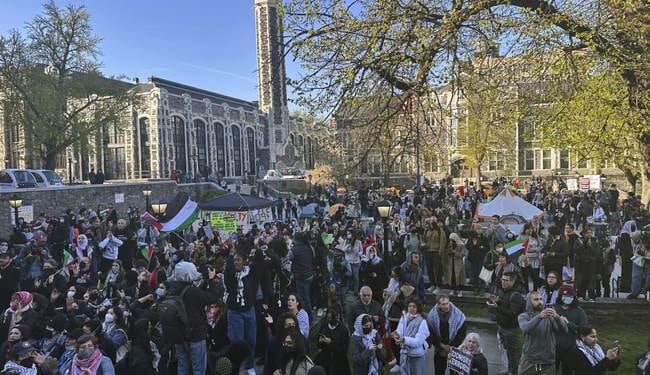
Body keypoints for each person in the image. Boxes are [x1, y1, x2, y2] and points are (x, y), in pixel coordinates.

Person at [166, 259, 222, 375]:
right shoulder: (192, 291)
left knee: (183, 364)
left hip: (178, 335)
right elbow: (212, 298)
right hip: (195, 334)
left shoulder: (172, 289)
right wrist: (211, 280)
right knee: (198, 368)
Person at [225, 249, 265, 375]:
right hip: (235, 313)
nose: (236, 262)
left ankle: (249, 365)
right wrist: (231, 258)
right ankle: (235, 369)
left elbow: (259, 263)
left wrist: (258, 250)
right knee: (237, 342)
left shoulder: (250, 273)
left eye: (238, 260)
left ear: (244, 262)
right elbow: (229, 277)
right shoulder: (230, 275)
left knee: (251, 340)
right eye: (234, 260)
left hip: (249, 311)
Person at [517, 290, 568, 374]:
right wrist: (539, 316)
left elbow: (564, 330)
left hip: (548, 362)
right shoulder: (523, 316)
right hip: (529, 361)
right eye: (536, 299)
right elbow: (525, 328)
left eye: (541, 299)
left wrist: (557, 317)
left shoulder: (549, 316)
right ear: (529, 301)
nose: (540, 301)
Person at [488, 272, 524, 375]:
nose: (503, 282)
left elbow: (512, 313)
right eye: (502, 279)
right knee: (505, 350)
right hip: (502, 327)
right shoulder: (502, 290)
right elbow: (504, 304)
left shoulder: (516, 295)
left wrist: (497, 307)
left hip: (512, 330)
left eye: (506, 280)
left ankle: (513, 372)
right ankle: (508, 369)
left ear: (512, 281)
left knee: (513, 354)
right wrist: (497, 301)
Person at [426, 294, 467, 375]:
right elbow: (430, 333)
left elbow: (461, 334)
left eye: (447, 303)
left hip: (455, 347)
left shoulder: (458, 315)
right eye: (443, 304)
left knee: (455, 372)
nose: (447, 306)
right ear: (438, 305)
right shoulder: (431, 315)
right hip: (439, 348)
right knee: (439, 371)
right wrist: (441, 345)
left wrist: (450, 347)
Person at [554, 285, 588, 373]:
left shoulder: (579, 311)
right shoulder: (553, 308)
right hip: (553, 348)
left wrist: (568, 323)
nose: (567, 298)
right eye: (565, 296)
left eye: (570, 296)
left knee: (567, 371)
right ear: (560, 296)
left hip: (571, 349)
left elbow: (582, 330)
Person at [392, 297, 429, 375]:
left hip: (416, 355)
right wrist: (397, 335)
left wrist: (404, 339)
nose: (411, 308)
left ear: (418, 308)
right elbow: (400, 331)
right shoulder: (404, 318)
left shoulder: (422, 322)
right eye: (410, 306)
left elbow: (418, 342)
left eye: (414, 306)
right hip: (404, 354)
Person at [314, 306, 350, 375]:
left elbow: (344, 349)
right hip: (325, 360)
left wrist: (331, 342)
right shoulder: (324, 326)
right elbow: (318, 345)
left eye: (332, 317)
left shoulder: (343, 330)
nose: (329, 319)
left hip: (339, 362)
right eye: (328, 317)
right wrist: (320, 341)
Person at [290, 232, 314, 320]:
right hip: (310, 274)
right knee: (307, 296)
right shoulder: (308, 247)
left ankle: (309, 318)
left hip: (302, 276)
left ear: (295, 239)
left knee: (304, 298)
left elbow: (288, 258)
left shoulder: (294, 249)